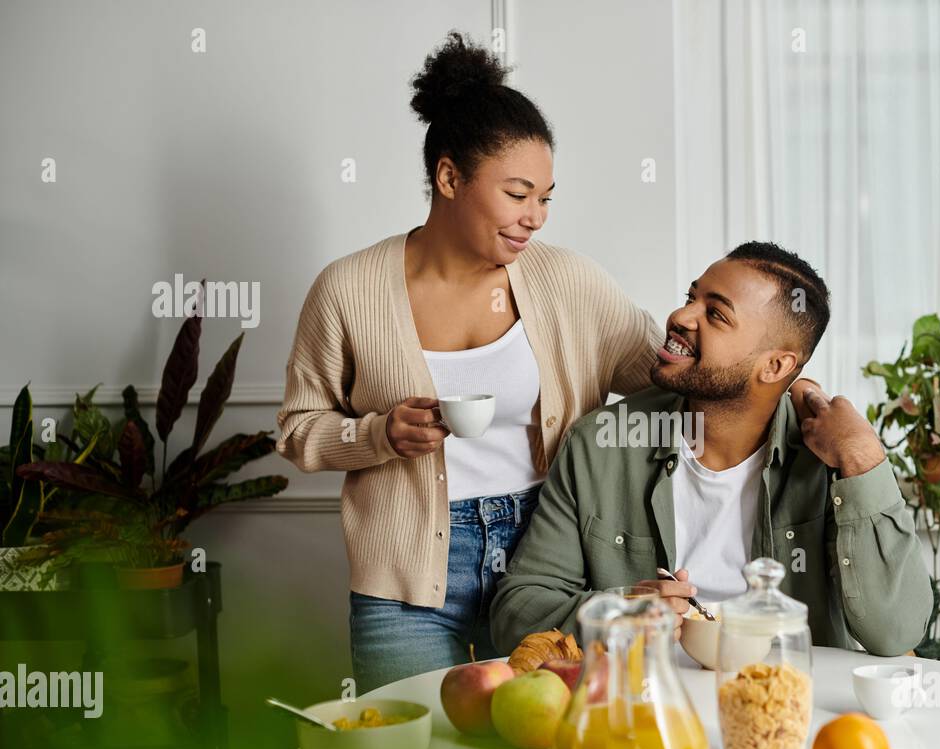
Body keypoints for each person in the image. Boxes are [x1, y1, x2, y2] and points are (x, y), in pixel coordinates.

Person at [276, 34, 664, 693]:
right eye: (518, 194)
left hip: (547, 559)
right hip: (406, 579)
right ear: (450, 178)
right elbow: (298, 429)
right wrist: (379, 435)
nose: (535, 217)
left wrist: (779, 377)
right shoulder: (348, 289)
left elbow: (665, 369)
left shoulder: (567, 281)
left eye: (546, 197)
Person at [490, 242, 933, 656]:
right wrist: (622, 609)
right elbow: (516, 613)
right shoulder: (601, 444)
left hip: (786, 705)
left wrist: (863, 460)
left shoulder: (830, 458)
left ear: (776, 365)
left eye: (716, 315)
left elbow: (895, 631)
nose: (681, 316)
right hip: (649, 705)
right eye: (691, 297)